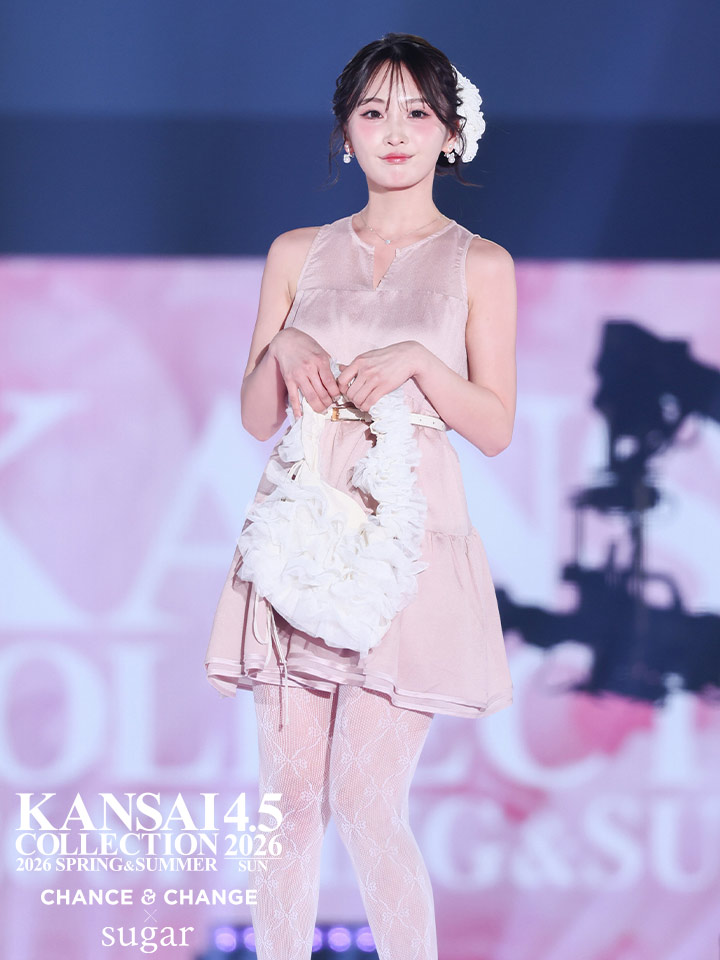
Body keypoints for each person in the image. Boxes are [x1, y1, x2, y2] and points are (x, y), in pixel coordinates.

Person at [205, 32, 517, 960]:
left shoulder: (481, 264)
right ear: (345, 131)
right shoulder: (296, 252)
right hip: (305, 530)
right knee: (292, 802)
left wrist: (421, 362)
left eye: (417, 112)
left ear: (450, 132)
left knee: (369, 801)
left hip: (406, 543)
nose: (395, 131)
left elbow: (495, 426)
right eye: (374, 112)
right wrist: (285, 347)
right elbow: (256, 415)